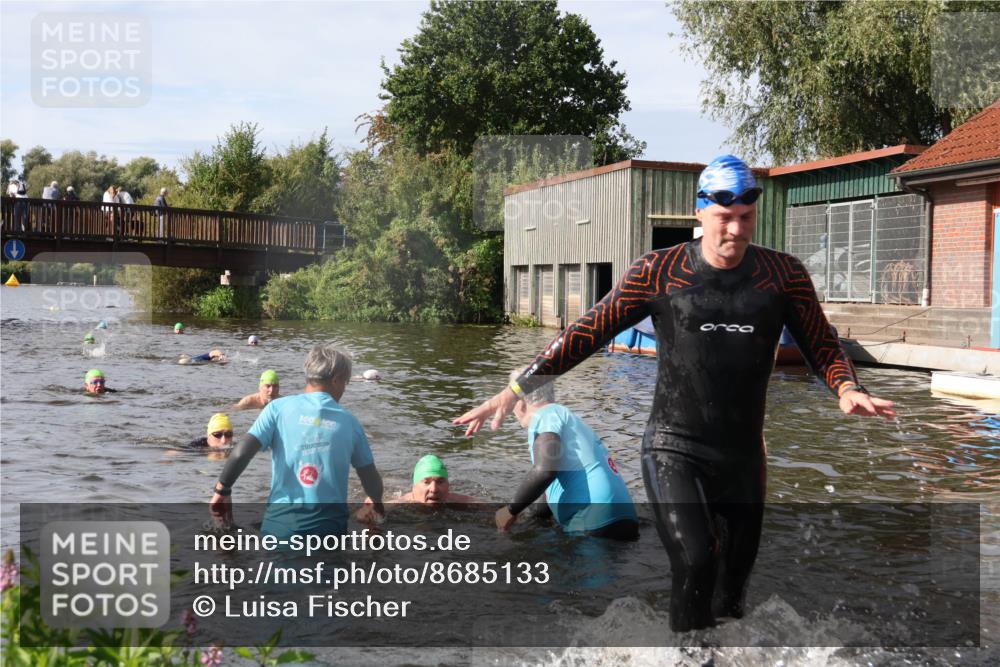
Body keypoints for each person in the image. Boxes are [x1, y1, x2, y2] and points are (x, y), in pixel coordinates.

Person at [454, 154, 896, 632]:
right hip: (673, 448)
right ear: (699, 211)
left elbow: (820, 341)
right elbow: (587, 332)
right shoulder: (658, 271)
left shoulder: (782, 276)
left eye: (746, 218)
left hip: (744, 456)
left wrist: (847, 386)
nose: (736, 230)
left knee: (731, 593)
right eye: (725, 218)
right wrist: (516, 388)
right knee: (697, 560)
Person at [209, 344, 385, 537]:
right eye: (345, 383)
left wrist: (222, 490)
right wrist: (376, 502)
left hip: (279, 530)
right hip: (328, 534)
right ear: (336, 380)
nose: (344, 389)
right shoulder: (350, 423)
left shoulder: (277, 409)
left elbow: (242, 452)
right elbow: (369, 476)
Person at [495, 369, 638, 541]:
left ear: (521, 401)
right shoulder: (568, 419)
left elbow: (545, 472)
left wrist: (510, 510)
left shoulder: (545, 415)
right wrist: (528, 519)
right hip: (625, 518)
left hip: (593, 519)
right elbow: (547, 496)